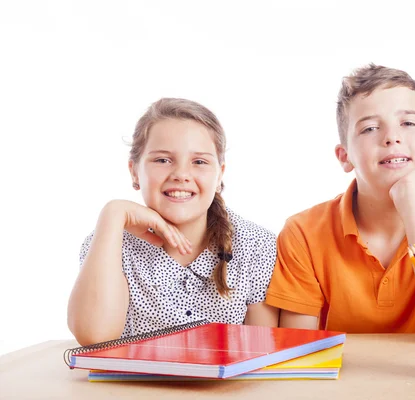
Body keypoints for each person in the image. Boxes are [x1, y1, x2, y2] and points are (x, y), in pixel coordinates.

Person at [265, 64, 415, 333]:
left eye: (408, 123)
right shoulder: (303, 232)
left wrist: (411, 199)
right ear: (345, 156)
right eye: (370, 128)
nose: (392, 137)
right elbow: (298, 354)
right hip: (341, 376)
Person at [68, 98, 279, 346]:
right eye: (162, 160)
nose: (180, 175)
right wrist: (112, 214)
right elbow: (95, 338)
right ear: (134, 171)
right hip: (131, 386)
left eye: (199, 162)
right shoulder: (107, 242)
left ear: (220, 173)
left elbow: (261, 353)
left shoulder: (257, 245)